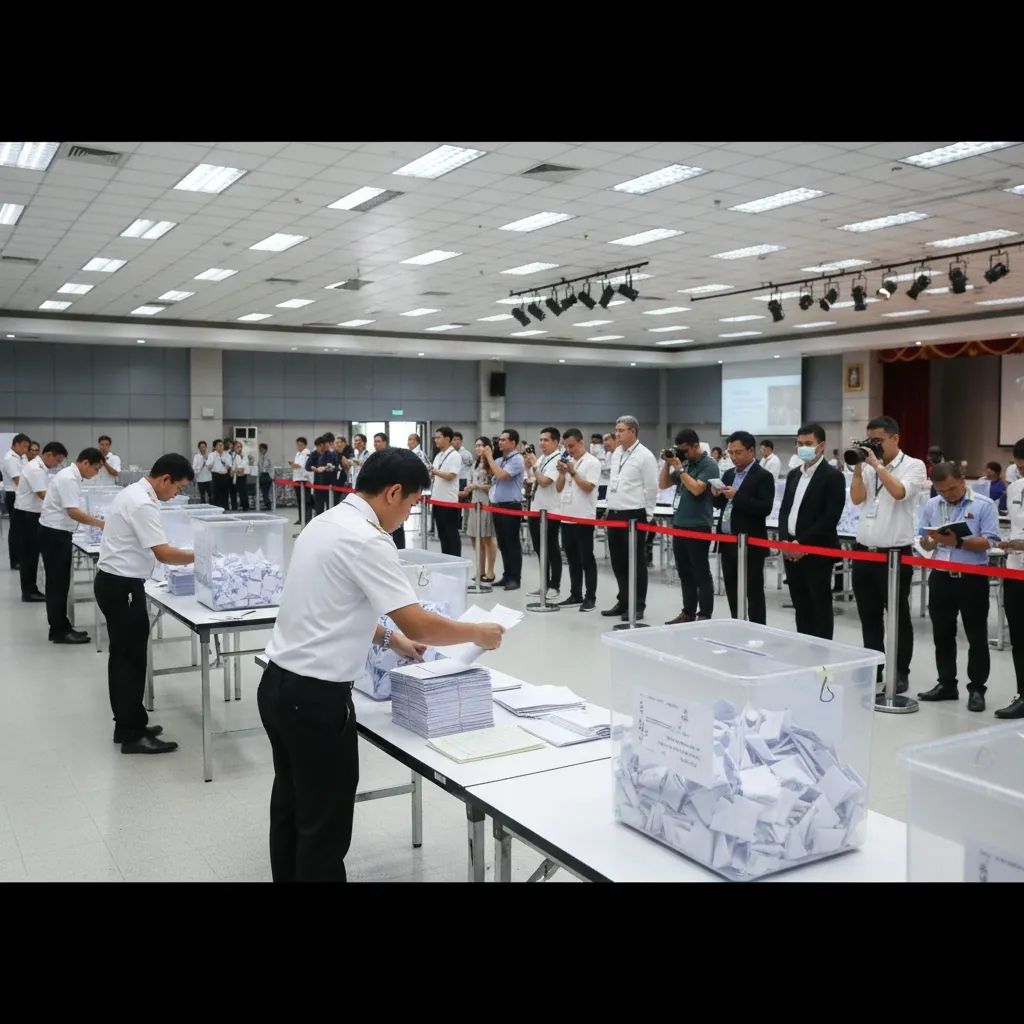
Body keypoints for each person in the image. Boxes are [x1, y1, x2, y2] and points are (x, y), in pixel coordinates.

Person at [258, 447, 505, 882]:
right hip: (315, 700)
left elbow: (335, 605)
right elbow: (421, 623)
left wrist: (392, 638)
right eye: (411, 504)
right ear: (393, 493)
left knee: (292, 806)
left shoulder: (325, 522)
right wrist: (477, 632)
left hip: (278, 687)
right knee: (324, 826)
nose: (409, 514)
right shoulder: (369, 539)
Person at [95, 454, 196, 754]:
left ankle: (128, 722)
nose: (176, 494)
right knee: (131, 660)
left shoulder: (132, 492)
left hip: (116, 583)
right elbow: (164, 554)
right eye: (178, 488)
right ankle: (131, 733)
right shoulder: (142, 503)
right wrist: (202, 554)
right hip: (122, 586)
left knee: (124, 657)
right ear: (165, 479)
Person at [849, 415, 928, 693]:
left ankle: (900, 671)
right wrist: (859, 469)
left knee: (897, 618)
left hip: (894, 555)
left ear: (896, 438)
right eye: (871, 442)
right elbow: (857, 499)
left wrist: (877, 466)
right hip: (863, 553)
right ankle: (874, 667)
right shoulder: (869, 468)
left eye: (879, 442)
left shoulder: (914, 466)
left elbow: (899, 492)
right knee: (868, 616)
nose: (875, 447)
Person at [916, 461, 1000, 713]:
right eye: (941, 490)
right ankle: (946, 684)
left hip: (972, 578)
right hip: (940, 575)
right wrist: (929, 541)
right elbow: (923, 542)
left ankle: (976, 689)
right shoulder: (932, 505)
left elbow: (990, 541)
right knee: (942, 634)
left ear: (962, 481)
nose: (947, 495)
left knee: (976, 635)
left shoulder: (983, 505)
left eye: (952, 489)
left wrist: (959, 542)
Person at [777, 424, 846, 639]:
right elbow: (784, 510)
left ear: (821, 446)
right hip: (791, 550)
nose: (803, 448)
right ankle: (804, 648)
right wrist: (784, 542)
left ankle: (822, 656)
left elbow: (830, 517)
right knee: (801, 604)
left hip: (817, 551)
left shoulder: (832, 476)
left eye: (808, 444)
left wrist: (802, 543)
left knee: (819, 605)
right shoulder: (793, 475)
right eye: (800, 444)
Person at [39, 447, 105, 644]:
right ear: (85, 463)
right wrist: (101, 524)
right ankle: (59, 631)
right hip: (54, 534)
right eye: (96, 468)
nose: (97, 473)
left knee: (59, 583)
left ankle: (61, 626)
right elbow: (73, 512)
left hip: (57, 532)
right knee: (57, 584)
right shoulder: (68, 478)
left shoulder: (71, 476)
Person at [711, 431, 775, 623]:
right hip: (728, 541)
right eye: (730, 452)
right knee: (732, 587)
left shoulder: (763, 476)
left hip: (750, 543)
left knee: (753, 590)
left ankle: (758, 630)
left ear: (751, 450)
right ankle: (736, 624)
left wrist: (737, 496)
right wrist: (716, 495)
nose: (733, 457)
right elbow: (724, 507)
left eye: (738, 452)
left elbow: (764, 508)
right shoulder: (729, 473)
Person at [603, 415, 658, 622]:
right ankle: (623, 600)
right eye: (616, 430)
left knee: (635, 562)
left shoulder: (645, 456)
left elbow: (651, 488)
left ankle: (638, 605)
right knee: (618, 562)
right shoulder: (617, 452)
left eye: (621, 430)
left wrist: (648, 515)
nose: (617, 434)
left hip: (634, 514)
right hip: (615, 512)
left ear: (633, 431)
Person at [660, 429, 718, 624]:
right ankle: (688, 612)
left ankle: (705, 614)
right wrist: (667, 464)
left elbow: (696, 489)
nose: (683, 454)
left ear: (695, 445)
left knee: (700, 572)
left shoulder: (709, 464)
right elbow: (663, 484)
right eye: (680, 451)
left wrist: (680, 468)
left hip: (698, 525)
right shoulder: (685, 462)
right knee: (684, 571)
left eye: (686, 450)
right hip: (680, 523)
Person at [553, 429, 601, 611]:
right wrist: (561, 473)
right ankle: (575, 594)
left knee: (586, 559)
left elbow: (588, 487)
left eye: (572, 446)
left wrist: (572, 473)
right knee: (572, 559)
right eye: (566, 446)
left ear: (581, 443)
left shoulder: (592, 462)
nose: (569, 450)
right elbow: (558, 489)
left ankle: (590, 598)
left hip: (583, 518)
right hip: (567, 517)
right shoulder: (570, 462)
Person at [14, 441, 67, 602]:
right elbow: (42, 494)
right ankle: (29, 592)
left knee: (32, 554)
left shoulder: (41, 467)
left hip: (31, 514)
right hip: (27, 515)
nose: (58, 464)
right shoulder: (36, 469)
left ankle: (31, 589)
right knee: (29, 555)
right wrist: (63, 507)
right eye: (57, 460)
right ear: (48, 454)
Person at [995, 438, 1024, 719]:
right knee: (1019, 636)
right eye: (1020, 466)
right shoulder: (1014, 487)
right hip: (1015, 570)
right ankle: (1022, 693)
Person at [482, 428, 525, 591]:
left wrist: (489, 457)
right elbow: (491, 475)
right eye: (499, 440)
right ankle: (507, 575)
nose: (500, 442)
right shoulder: (501, 460)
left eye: (503, 440)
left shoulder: (517, 460)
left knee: (512, 543)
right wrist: (487, 457)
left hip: (510, 506)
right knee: (502, 543)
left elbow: (501, 475)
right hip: (497, 505)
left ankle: (515, 578)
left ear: (513, 443)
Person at [525, 428, 563, 600]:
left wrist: (534, 465)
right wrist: (529, 468)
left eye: (546, 440)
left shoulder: (558, 459)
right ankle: (544, 584)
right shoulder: (542, 458)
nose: (542, 443)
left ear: (555, 442)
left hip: (550, 510)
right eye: (540, 440)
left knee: (552, 549)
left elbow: (545, 481)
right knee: (540, 550)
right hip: (535, 508)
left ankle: (555, 585)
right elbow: (533, 480)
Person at [464, 437, 497, 583]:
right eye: (476, 445)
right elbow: (472, 482)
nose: (478, 448)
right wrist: (467, 489)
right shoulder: (475, 464)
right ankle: (480, 569)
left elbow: (494, 485)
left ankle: (490, 571)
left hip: (486, 501)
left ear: (488, 447)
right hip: (474, 501)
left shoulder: (491, 463)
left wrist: (477, 486)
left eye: (481, 445)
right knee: (474, 536)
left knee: (487, 537)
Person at [429, 425, 462, 557]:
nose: (436, 440)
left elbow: (451, 476)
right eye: (435, 438)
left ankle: (455, 561)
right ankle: (446, 559)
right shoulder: (438, 456)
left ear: (447, 438)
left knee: (451, 534)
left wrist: (435, 471)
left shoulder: (455, 455)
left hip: (448, 502)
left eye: (438, 437)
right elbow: (437, 473)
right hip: (437, 500)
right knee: (442, 534)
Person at [373, 432, 406, 549]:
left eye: (378, 441)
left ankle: (400, 549)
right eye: (375, 442)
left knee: (396, 525)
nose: (376, 444)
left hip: (394, 493)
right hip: (380, 494)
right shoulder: (375, 457)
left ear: (385, 442)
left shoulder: (393, 456)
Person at [3, 433, 31, 570]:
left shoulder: (22, 457)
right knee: (15, 530)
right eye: (24, 446)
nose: (26, 449)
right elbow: (18, 480)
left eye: (27, 447)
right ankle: (15, 561)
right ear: (16, 444)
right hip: (13, 494)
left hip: (22, 495)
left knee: (22, 529)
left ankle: (22, 557)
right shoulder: (10, 458)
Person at [288, 436, 312, 525]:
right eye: (298, 445)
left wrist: (294, 465)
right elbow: (297, 465)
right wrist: (293, 464)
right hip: (297, 478)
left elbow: (302, 465)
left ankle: (307, 518)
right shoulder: (298, 453)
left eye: (301, 445)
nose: (299, 446)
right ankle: (301, 518)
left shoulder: (307, 453)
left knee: (306, 500)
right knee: (299, 500)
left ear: (304, 445)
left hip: (304, 479)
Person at [207, 438, 232, 511]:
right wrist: (214, 460)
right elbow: (208, 466)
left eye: (222, 445)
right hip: (215, 475)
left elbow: (229, 465)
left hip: (225, 476)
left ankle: (225, 509)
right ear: (215, 447)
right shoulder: (212, 455)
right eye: (219, 445)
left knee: (225, 494)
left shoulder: (227, 455)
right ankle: (216, 509)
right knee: (215, 493)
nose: (221, 447)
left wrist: (225, 463)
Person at [232, 440, 250, 511]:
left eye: (240, 447)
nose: (239, 448)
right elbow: (233, 465)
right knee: (237, 492)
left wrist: (241, 468)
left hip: (243, 474)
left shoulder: (244, 455)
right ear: (234, 447)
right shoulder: (233, 455)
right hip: (235, 475)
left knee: (244, 491)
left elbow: (245, 464)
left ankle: (245, 506)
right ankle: (236, 506)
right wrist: (238, 469)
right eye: (237, 447)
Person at [258, 443, 273, 510]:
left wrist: (272, 476)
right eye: (260, 449)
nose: (261, 450)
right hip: (262, 475)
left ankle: (268, 504)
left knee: (266, 491)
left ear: (265, 449)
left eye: (262, 449)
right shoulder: (260, 457)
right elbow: (259, 466)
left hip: (267, 475)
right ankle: (266, 504)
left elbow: (271, 467)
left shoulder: (269, 457)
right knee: (264, 491)